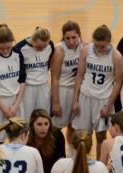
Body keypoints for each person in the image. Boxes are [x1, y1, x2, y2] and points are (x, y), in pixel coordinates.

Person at [72, 25, 123, 160]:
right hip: (85, 97)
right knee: (82, 135)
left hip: (103, 100)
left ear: (109, 42)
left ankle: (99, 165)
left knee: (101, 136)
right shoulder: (86, 50)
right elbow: (79, 75)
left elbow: (118, 83)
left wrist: (109, 105)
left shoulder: (116, 56)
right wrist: (75, 100)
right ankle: (81, 164)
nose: (99, 49)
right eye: (97, 45)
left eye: (103, 46)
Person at [51, 20, 84, 150]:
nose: (71, 41)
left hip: (78, 91)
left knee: (73, 126)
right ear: (63, 37)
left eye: (74, 37)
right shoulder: (60, 50)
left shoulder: (83, 47)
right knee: (55, 128)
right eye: (67, 38)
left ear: (79, 36)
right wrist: (55, 102)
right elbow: (54, 78)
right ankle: (55, 152)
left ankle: (71, 153)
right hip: (63, 91)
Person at [14, 27, 54, 121]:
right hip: (27, 88)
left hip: (43, 86)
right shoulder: (19, 48)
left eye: (44, 47)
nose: (41, 50)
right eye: (39, 47)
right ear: (33, 39)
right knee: (27, 119)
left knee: (44, 118)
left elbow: (48, 65)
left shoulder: (50, 45)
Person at [27, 109, 66, 173]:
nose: (43, 128)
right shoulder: (25, 137)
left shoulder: (57, 135)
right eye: (39, 124)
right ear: (32, 125)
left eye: (46, 124)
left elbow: (61, 160)